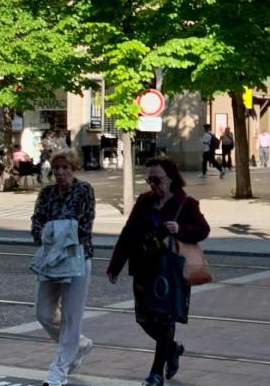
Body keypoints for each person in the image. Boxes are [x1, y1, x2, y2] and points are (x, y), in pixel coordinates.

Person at [107, 157, 210, 386]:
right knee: (143, 318)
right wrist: (115, 265)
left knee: (166, 320)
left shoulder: (186, 203)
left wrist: (180, 229)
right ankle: (171, 348)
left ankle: (156, 374)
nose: (153, 185)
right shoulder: (145, 200)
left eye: (157, 180)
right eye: (149, 180)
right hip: (144, 268)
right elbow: (128, 233)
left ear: (170, 178)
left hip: (170, 272)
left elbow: (203, 230)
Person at [31, 151, 96, 386]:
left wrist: (50, 230)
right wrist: (54, 230)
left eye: (65, 167)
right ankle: (78, 344)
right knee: (44, 313)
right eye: (56, 167)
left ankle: (57, 373)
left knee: (71, 318)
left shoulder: (84, 190)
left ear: (73, 169)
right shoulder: (46, 193)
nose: (59, 172)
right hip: (51, 259)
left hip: (76, 258)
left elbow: (82, 228)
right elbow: (37, 223)